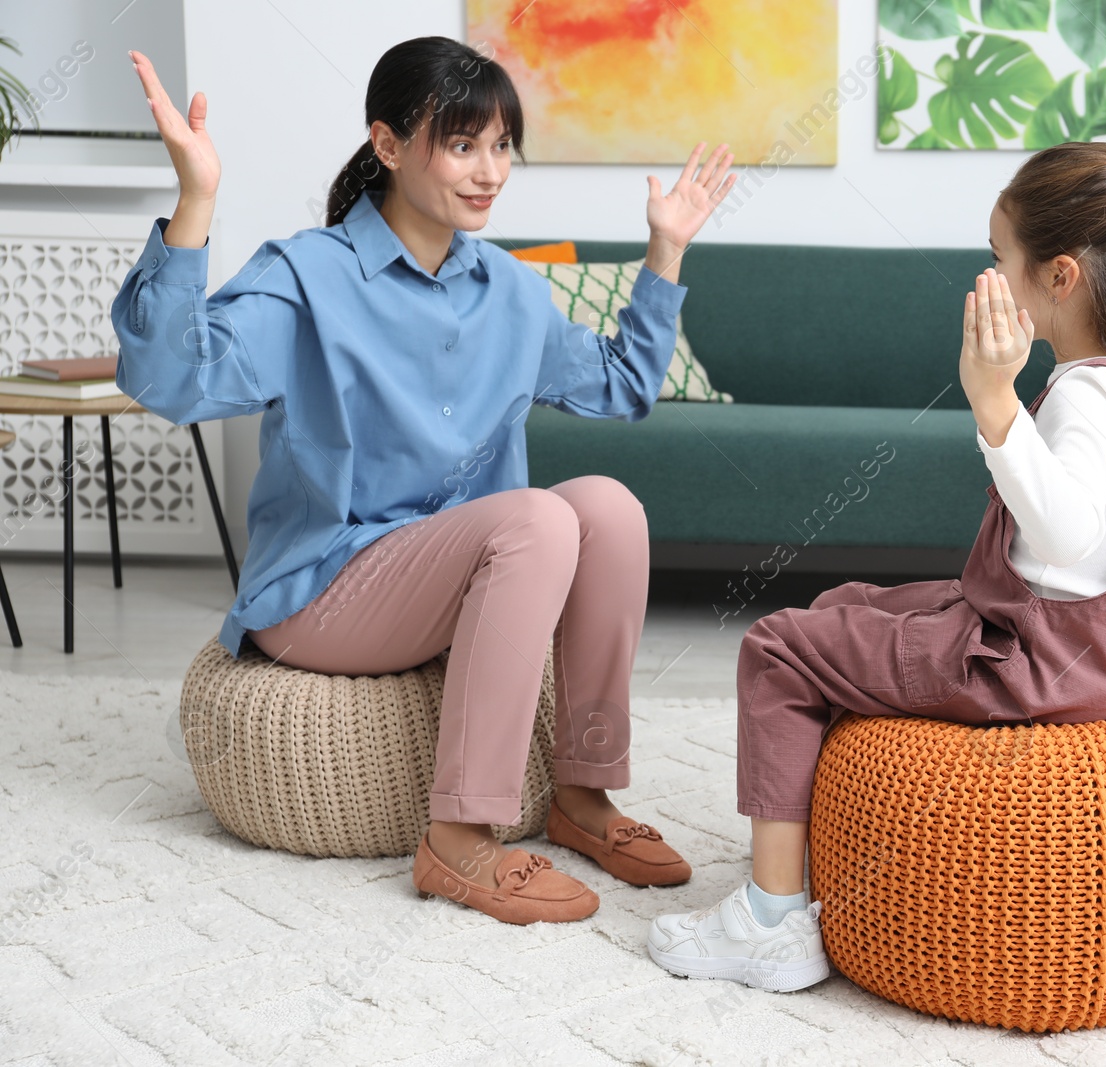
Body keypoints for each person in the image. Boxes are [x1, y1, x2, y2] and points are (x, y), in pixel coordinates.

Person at [111, 36, 739, 926]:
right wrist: (196, 200)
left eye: (502, 146)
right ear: (389, 144)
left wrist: (666, 248)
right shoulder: (307, 276)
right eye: (461, 145)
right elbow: (170, 381)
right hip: (322, 590)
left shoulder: (512, 292)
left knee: (608, 506)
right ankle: (458, 839)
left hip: (457, 574)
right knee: (537, 521)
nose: (489, 172)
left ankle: (582, 792)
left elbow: (625, 385)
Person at [647, 143, 1106, 992]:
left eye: (1001, 258)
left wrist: (993, 398)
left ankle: (771, 920)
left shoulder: (1082, 391)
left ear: (1060, 275)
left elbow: (1067, 535)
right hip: (1087, 657)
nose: (990, 274)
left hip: (1023, 664)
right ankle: (807, 851)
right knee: (847, 601)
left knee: (779, 647)